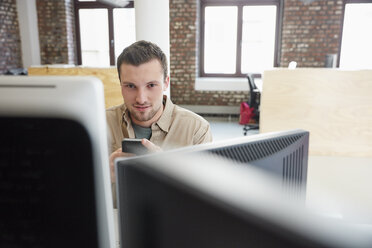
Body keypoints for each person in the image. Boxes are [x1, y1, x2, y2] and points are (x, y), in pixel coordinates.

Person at [106, 40, 213, 189]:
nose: (141, 99)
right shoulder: (99, 124)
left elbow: (206, 197)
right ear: (120, 84)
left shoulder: (197, 130)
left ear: (166, 83)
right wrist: (102, 176)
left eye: (151, 85)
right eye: (131, 86)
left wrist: (167, 172)